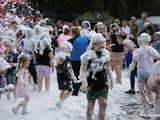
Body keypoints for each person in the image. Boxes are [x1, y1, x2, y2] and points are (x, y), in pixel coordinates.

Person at [80, 33, 113, 120]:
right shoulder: (87, 55)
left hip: (103, 82)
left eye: (102, 43)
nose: (101, 45)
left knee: (104, 104)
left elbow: (108, 68)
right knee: (91, 105)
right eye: (99, 43)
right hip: (91, 82)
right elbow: (83, 70)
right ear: (93, 44)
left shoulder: (106, 53)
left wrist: (111, 79)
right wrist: (84, 82)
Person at [129, 33, 160, 113]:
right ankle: (153, 107)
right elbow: (158, 58)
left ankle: (145, 109)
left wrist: (130, 71)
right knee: (149, 92)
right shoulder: (151, 49)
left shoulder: (137, 51)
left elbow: (133, 63)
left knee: (142, 92)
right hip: (150, 72)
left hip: (140, 72)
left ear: (140, 41)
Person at [68, 27, 89, 96]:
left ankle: (75, 91)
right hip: (84, 59)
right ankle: (81, 87)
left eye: (71, 32)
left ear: (73, 33)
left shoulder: (71, 40)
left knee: (75, 75)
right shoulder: (86, 39)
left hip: (74, 59)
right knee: (82, 74)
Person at [55, 42, 77, 107]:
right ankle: (60, 101)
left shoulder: (58, 55)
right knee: (70, 90)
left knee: (63, 89)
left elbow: (56, 65)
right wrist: (73, 76)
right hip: (66, 75)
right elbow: (69, 67)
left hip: (59, 75)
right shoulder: (67, 56)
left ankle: (60, 102)